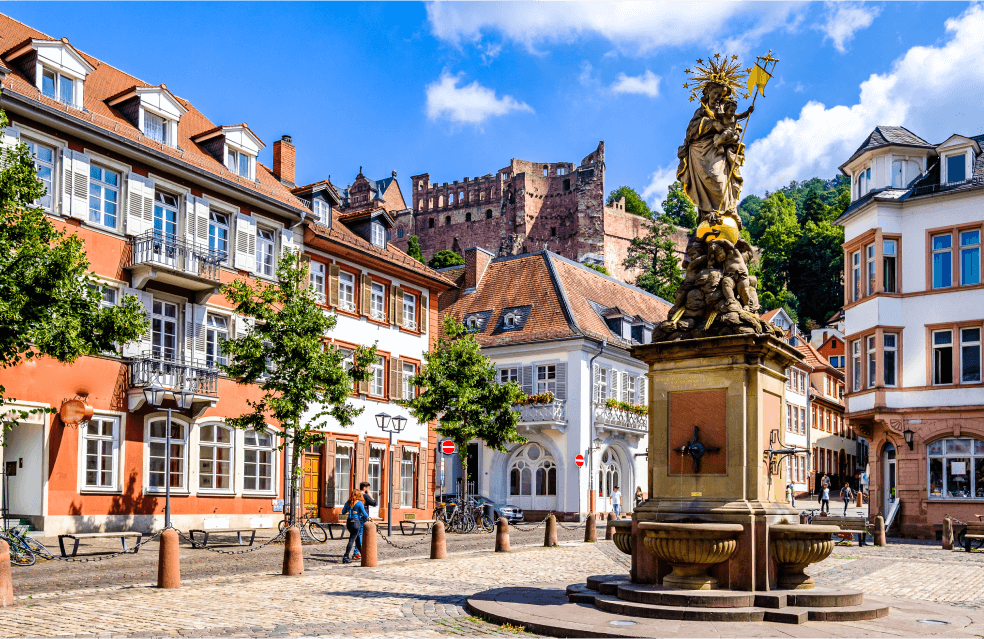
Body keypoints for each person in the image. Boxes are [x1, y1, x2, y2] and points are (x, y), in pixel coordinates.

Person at [340, 490, 369, 564]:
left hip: (349, 523)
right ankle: (346, 556)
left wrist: (349, 510)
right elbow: (364, 513)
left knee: (357, 539)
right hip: (356, 522)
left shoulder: (348, 503)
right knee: (352, 539)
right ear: (359, 495)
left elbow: (343, 512)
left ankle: (363, 555)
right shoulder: (359, 503)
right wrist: (369, 518)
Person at [357, 481, 377, 556]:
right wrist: (370, 495)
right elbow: (374, 503)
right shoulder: (365, 495)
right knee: (360, 534)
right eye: (368, 488)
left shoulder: (357, 494)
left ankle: (357, 552)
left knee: (358, 535)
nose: (368, 489)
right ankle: (356, 552)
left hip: (356, 516)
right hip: (363, 517)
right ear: (365, 488)